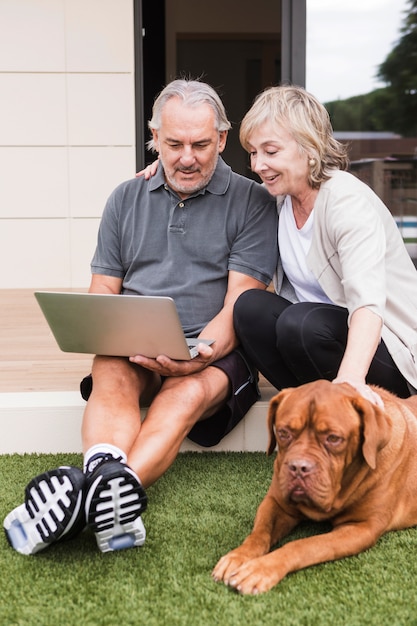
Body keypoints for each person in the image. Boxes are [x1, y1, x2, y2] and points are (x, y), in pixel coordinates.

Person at [3, 79, 278, 556]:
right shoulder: (124, 199)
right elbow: (103, 292)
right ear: (154, 136)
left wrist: (191, 360)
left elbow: (239, 305)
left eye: (199, 144)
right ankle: (112, 501)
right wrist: (109, 331)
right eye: (173, 144)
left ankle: (87, 499)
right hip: (135, 341)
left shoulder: (252, 203)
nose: (186, 157)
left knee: (183, 395)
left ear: (222, 139)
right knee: (110, 374)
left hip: (214, 352)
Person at [233, 84, 417, 406]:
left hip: (389, 351)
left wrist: (350, 379)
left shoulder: (346, 202)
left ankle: (346, 408)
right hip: (317, 338)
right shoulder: (277, 199)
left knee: (301, 323)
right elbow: (228, 193)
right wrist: (164, 170)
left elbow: (367, 304)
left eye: (270, 151)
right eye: (253, 152)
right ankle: (309, 412)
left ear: (309, 147)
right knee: (250, 308)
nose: (258, 164)